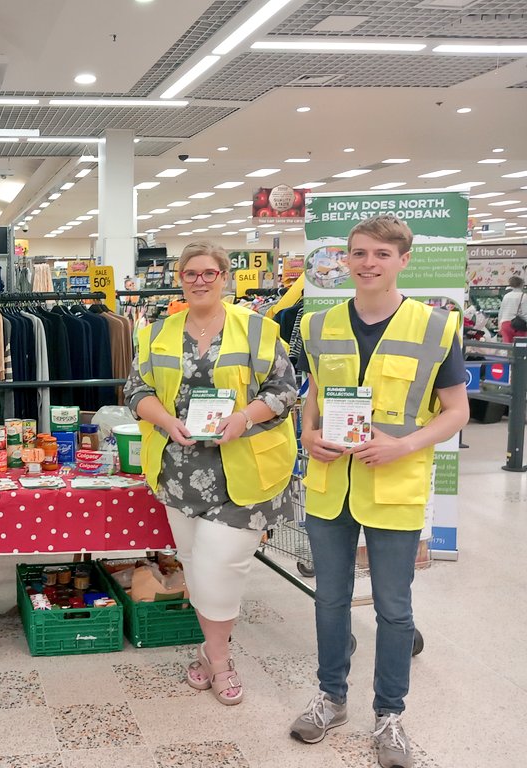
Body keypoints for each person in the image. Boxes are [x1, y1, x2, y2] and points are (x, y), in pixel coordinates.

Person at [292, 215, 469, 768]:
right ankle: (331, 697)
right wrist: (308, 434)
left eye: (382, 254)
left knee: (394, 607)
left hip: (394, 482)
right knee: (329, 600)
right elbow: (314, 394)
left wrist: (405, 444)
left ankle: (389, 713)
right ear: (345, 259)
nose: (369, 263)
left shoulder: (437, 327)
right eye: (359, 253)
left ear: (403, 261)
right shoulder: (318, 326)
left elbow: (457, 411)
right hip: (330, 486)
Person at [125, 241, 298, 706]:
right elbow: (135, 388)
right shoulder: (157, 332)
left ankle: (219, 662)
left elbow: (285, 389)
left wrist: (243, 417)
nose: (199, 280)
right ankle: (209, 648)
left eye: (209, 273)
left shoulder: (259, 329)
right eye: (190, 273)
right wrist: (165, 421)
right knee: (196, 566)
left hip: (243, 472)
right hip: (177, 471)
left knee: (219, 567)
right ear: (179, 278)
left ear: (225, 277)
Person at [497, 274, 526, 344]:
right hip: (518, 326)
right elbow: (525, 314)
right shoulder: (524, 296)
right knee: (520, 346)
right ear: (521, 285)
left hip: (505, 324)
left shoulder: (506, 296)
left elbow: (501, 312)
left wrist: (499, 326)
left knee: (507, 347)